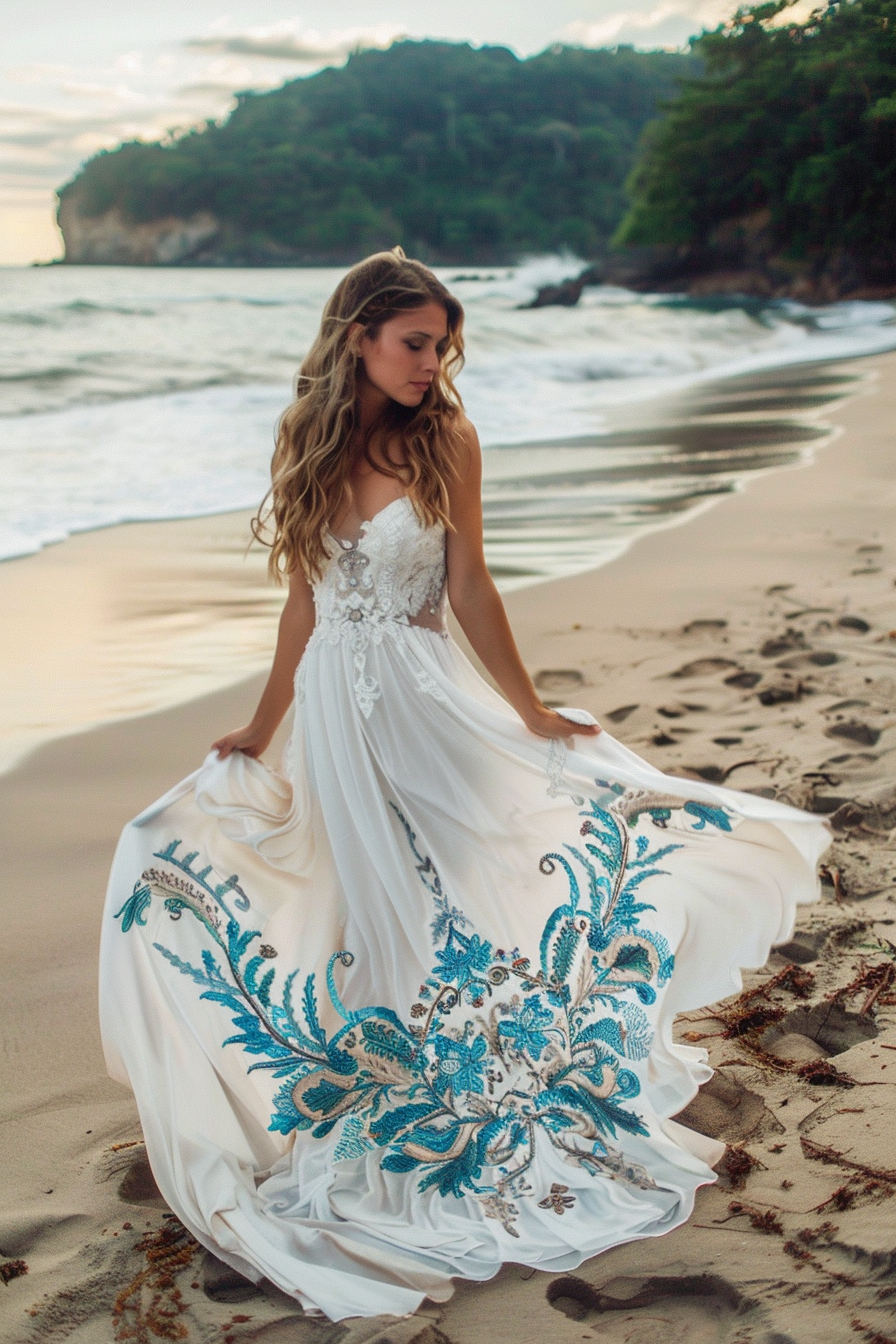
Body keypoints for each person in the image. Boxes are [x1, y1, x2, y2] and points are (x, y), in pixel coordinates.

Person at [100, 248, 830, 1323]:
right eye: (412, 342)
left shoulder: (446, 435)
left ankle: (508, 1090)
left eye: (439, 344)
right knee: (372, 899)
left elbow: (469, 583)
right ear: (357, 336)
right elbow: (302, 603)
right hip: (335, 714)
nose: (428, 362)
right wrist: (262, 728)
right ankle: (408, 1100)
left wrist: (530, 711)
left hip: (424, 695)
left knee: (467, 873)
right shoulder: (302, 438)